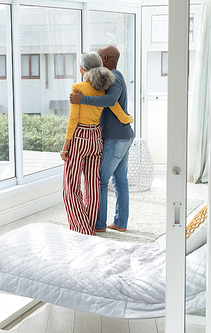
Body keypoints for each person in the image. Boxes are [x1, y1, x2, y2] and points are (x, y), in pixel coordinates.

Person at [61, 52, 133, 235]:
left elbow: (73, 119)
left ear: (82, 69)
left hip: (80, 137)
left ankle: (83, 229)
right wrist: (129, 118)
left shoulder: (77, 87)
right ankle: (94, 224)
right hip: (96, 139)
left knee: (71, 186)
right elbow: (118, 110)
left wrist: (65, 146)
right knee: (93, 184)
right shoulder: (103, 89)